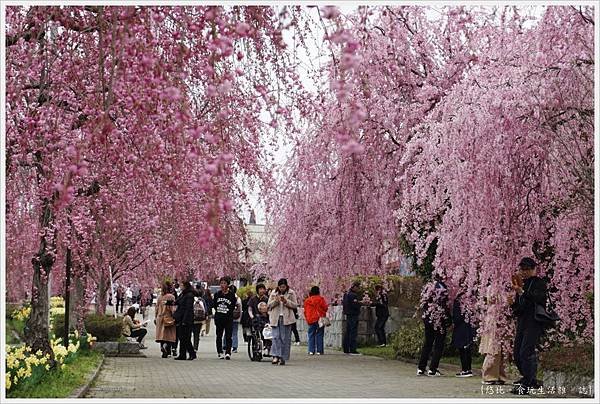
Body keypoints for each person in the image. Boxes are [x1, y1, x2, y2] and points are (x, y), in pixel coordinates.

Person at [510, 257, 547, 395]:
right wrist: (512, 304)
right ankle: (530, 379)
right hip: (522, 322)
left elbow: (538, 299)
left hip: (534, 322)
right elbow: (520, 308)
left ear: (533, 269)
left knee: (526, 352)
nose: (523, 272)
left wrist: (522, 293)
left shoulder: (539, 283)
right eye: (522, 269)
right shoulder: (521, 284)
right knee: (516, 354)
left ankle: (527, 383)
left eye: (526, 269)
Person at [417, 274, 451, 376]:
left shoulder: (428, 286)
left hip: (428, 318)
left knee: (427, 343)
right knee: (438, 344)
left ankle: (421, 368)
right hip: (439, 319)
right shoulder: (442, 287)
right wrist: (448, 319)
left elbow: (423, 302)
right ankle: (433, 369)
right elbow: (445, 305)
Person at [480, 291, 509, 385]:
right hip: (494, 319)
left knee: (503, 348)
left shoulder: (508, 287)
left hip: (503, 319)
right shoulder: (492, 287)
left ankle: (500, 375)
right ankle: (489, 375)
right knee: (493, 347)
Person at [267, 278, 298, 365]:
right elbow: (268, 306)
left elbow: (295, 305)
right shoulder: (273, 293)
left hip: (286, 318)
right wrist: (276, 301)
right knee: (276, 337)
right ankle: (275, 356)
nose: (282, 289)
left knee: (284, 338)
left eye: (283, 287)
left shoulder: (291, 293)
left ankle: (282, 357)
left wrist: (286, 301)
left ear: (286, 286)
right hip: (275, 318)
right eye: (280, 287)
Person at [451, 291, 476, 377]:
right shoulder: (470, 297)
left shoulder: (459, 298)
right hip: (469, 326)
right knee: (467, 348)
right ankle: (468, 369)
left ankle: (465, 369)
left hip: (461, 328)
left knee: (462, 348)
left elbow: (456, 317)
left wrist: (454, 321)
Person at [213, 277, 237, 359]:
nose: (222, 285)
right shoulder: (217, 294)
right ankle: (219, 351)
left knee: (228, 336)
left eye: (224, 283)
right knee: (219, 335)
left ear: (228, 284)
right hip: (219, 317)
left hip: (228, 318)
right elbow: (214, 305)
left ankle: (228, 352)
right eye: (221, 283)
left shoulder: (231, 295)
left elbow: (233, 306)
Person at [173, 281, 196, 360]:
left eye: (182, 285)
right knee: (182, 337)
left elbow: (188, 309)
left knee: (185, 338)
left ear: (185, 286)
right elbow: (177, 301)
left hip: (186, 319)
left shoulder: (189, 295)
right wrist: (169, 302)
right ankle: (182, 354)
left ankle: (192, 353)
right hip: (181, 318)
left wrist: (185, 321)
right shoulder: (183, 294)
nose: (180, 286)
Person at [303, 285, 328, 355]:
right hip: (320, 319)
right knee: (320, 334)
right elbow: (325, 308)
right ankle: (319, 351)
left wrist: (307, 317)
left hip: (311, 319)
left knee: (311, 334)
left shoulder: (307, 300)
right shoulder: (321, 299)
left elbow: (305, 310)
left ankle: (311, 350)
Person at [155, 281, 177, 358]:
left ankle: (162, 348)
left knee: (161, 335)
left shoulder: (160, 297)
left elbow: (156, 308)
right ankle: (167, 348)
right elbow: (172, 308)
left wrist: (155, 317)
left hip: (160, 317)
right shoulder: (171, 297)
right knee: (169, 335)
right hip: (168, 317)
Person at [342, 281, 362, 355]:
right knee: (353, 332)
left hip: (348, 314)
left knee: (348, 331)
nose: (358, 289)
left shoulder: (346, 294)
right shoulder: (353, 295)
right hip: (353, 314)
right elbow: (355, 305)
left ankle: (346, 348)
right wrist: (360, 303)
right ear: (354, 287)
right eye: (358, 287)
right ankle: (352, 349)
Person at [224, 285, 243, 353]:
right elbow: (240, 309)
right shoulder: (238, 298)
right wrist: (240, 318)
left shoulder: (227, 297)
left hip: (228, 317)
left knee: (226, 332)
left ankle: (225, 346)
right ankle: (234, 347)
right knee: (234, 332)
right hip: (236, 317)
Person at [192, 283, 207, 353]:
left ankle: (189, 347)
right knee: (196, 334)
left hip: (192, 319)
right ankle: (195, 348)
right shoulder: (202, 300)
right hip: (199, 320)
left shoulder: (192, 300)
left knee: (189, 334)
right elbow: (205, 310)